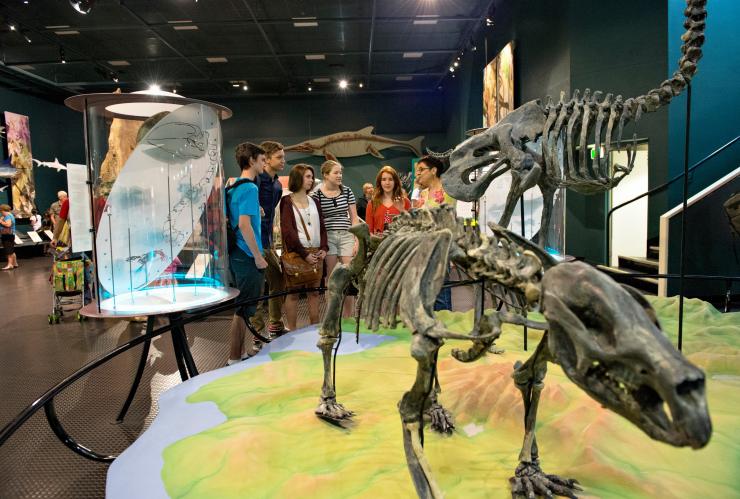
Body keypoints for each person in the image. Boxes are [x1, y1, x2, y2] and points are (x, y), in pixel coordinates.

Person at [226, 142, 268, 365]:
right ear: (251, 160)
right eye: (262, 160)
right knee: (243, 308)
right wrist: (258, 256)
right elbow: (244, 225)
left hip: (236, 254)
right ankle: (234, 356)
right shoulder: (250, 188)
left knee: (242, 308)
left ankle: (239, 353)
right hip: (247, 254)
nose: (264, 164)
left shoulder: (232, 187)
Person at [280, 164, 328, 330]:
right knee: (293, 294)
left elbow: (322, 226)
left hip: (316, 253)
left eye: (311, 176)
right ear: (298, 178)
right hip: (296, 253)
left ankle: (314, 329)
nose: (311, 180)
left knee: (314, 293)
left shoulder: (315, 201)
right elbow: (288, 231)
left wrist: (324, 247)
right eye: (307, 176)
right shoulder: (287, 201)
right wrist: (303, 253)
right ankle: (292, 330)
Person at [251, 140, 289, 338]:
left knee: (278, 280)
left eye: (283, 157)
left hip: (267, 242)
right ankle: (257, 331)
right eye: (279, 157)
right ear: (266, 159)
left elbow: (271, 216)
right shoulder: (256, 181)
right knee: (257, 289)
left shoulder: (276, 185)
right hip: (253, 244)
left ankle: (275, 323)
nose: (283, 161)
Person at [314, 159, 360, 317]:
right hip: (328, 237)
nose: (340, 175)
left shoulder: (347, 191)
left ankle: (349, 315)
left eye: (341, 172)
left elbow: (354, 218)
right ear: (326, 175)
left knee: (347, 275)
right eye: (336, 172)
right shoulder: (317, 194)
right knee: (331, 277)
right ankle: (332, 315)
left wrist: (356, 239)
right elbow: (316, 220)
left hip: (346, 234)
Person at [415, 155, 456, 310]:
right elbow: (415, 215)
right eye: (416, 171)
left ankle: (444, 328)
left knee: (440, 291)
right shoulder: (423, 194)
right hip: (421, 246)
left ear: (433, 170)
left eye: (421, 170)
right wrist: (416, 191)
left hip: (440, 246)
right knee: (424, 290)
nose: (418, 174)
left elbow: (450, 221)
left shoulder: (447, 191)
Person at [365, 166, 411, 234]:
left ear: (395, 181)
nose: (387, 183)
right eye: (384, 179)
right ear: (379, 182)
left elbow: (411, 226)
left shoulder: (405, 202)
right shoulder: (372, 203)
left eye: (390, 179)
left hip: (399, 242)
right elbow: (369, 231)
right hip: (379, 243)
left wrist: (402, 210)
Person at [0, 204, 17, 270]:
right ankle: (15, 263)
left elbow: (8, 225)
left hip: (7, 235)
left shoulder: (7, 216)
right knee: (11, 250)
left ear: (3, 210)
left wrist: (1, 221)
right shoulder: (10, 215)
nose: (1, 212)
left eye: (1, 211)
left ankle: (10, 265)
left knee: (8, 251)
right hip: (9, 235)